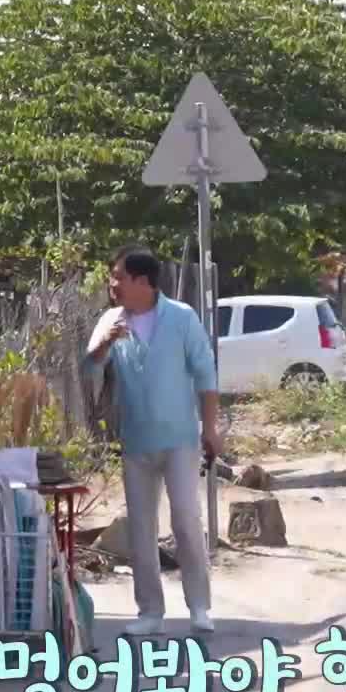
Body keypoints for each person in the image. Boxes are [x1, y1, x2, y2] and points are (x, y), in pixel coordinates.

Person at [84, 244, 219, 636]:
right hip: (136, 440)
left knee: (186, 520)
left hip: (179, 438)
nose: (112, 285)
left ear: (142, 281)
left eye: (119, 277)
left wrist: (211, 429)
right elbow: (88, 367)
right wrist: (105, 343)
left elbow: (205, 373)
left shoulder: (181, 317)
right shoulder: (112, 320)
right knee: (141, 529)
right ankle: (150, 612)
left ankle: (199, 606)